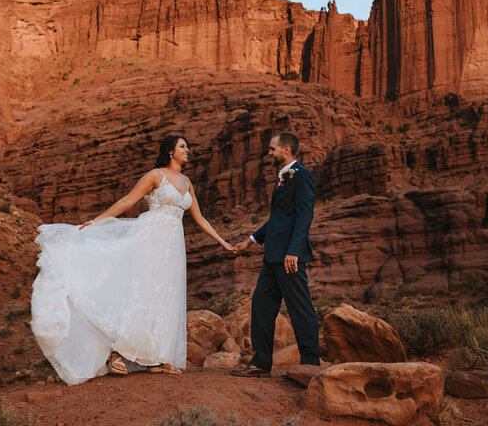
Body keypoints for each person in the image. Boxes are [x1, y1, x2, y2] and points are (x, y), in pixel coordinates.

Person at [30, 135, 234, 384]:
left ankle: (156, 358)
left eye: (187, 146)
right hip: (149, 238)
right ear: (171, 151)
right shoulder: (155, 175)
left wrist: (222, 241)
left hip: (173, 246)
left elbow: (199, 217)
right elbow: (127, 200)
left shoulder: (187, 181)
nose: (187, 150)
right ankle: (116, 351)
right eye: (183, 146)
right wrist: (96, 222)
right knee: (142, 293)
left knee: (165, 297)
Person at [230, 132, 320, 377]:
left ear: (286, 151)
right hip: (273, 257)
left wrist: (294, 251)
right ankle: (261, 363)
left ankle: (310, 364)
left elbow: (304, 216)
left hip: (289, 257)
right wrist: (250, 241)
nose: (268, 153)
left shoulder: (302, 176)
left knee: (299, 308)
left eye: (272, 149)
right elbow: (278, 220)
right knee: (261, 305)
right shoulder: (282, 178)